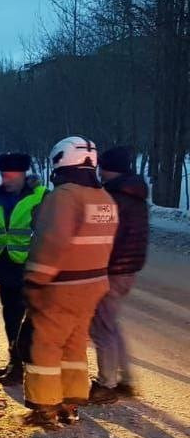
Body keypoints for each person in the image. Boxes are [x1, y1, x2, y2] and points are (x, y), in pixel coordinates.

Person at [21, 136, 117, 430]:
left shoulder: (63, 197)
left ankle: (45, 406)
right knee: (75, 343)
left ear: (61, 162)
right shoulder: (104, 199)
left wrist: (35, 280)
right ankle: (71, 400)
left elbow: (51, 244)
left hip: (61, 287)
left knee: (46, 344)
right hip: (94, 284)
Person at [0, 153, 45, 384]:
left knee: (33, 321)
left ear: (24, 174)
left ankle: (34, 365)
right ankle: (15, 363)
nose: (8, 179)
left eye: (13, 174)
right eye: (5, 174)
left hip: (32, 268)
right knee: (11, 318)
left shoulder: (41, 197)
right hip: (6, 269)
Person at [88, 146, 149, 403]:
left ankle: (107, 384)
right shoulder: (136, 194)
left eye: (103, 167)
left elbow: (100, 235)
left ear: (111, 169)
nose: (100, 172)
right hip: (129, 268)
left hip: (112, 269)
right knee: (111, 324)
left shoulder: (111, 197)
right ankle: (125, 380)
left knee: (102, 327)